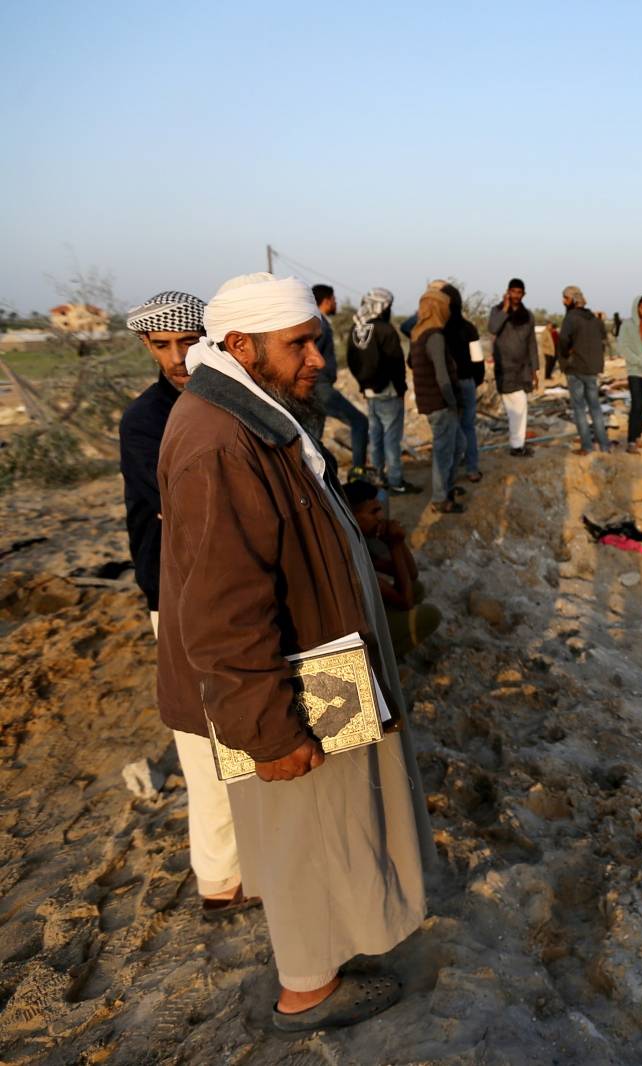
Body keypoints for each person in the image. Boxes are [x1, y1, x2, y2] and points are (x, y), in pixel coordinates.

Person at [157, 272, 428, 1030]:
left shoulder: (250, 410)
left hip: (319, 666)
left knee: (332, 823)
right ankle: (306, 993)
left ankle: (329, 958)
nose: (317, 359)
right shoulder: (215, 440)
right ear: (240, 345)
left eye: (316, 341)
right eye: (300, 345)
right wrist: (269, 730)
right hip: (285, 687)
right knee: (302, 834)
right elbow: (219, 610)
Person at [120, 289, 258, 922]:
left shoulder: (235, 398)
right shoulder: (148, 420)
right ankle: (220, 881)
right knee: (202, 749)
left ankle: (254, 868)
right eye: (162, 346)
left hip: (235, 589)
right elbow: (189, 510)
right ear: (147, 347)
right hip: (177, 595)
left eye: (186, 341)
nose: (178, 358)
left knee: (250, 732)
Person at [344, 480, 441, 656]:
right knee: (430, 616)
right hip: (353, 634)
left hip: (364, 616)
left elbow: (411, 574)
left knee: (416, 588)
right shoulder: (347, 548)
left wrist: (397, 541)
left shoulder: (358, 539)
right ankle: (382, 661)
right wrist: (395, 545)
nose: (380, 517)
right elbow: (406, 602)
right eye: (373, 512)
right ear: (353, 515)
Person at [347, 288, 418, 494]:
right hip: (389, 392)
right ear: (383, 307)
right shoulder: (385, 330)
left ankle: (378, 476)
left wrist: (364, 384)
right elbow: (396, 363)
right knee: (391, 439)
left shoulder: (356, 328)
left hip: (369, 392)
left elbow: (353, 361)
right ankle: (396, 481)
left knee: (376, 436)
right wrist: (400, 388)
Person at [408, 289, 465, 513]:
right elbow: (443, 376)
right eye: (445, 306)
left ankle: (447, 488)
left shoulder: (418, 333)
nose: (448, 311)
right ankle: (441, 499)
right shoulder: (434, 336)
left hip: (432, 403)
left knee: (458, 446)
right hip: (441, 405)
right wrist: (453, 403)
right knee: (444, 453)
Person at [306, 284, 369, 477]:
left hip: (318, 386)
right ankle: (358, 472)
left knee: (313, 436)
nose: (336, 303)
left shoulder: (319, 322)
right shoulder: (319, 325)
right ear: (326, 301)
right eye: (334, 299)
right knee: (359, 422)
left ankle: (312, 477)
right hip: (320, 387)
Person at [437, 283, 483, 483]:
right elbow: (478, 360)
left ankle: (450, 476)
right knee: (468, 428)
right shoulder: (469, 328)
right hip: (467, 383)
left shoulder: (438, 331)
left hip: (447, 386)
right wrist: (475, 381)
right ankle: (472, 469)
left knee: (451, 430)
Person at [557, 285, 609, 455]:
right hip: (592, 369)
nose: (563, 301)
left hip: (576, 368)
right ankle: (605, 447)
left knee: (579, 408)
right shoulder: (594, 319)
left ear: (572, 300)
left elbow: (563, 341)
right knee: (595, 408)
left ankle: (587, 446)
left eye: (565, 298)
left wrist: (567, 353)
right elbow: (603, 337)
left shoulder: (571, 318)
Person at [488, 277, 537, 457]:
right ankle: (517, 445)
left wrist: (535, 368)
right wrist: (505, 309)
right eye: (513, 292)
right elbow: (492, 328)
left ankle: (517, 443)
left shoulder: (528, 315)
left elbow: (532, 343)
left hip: (523, 369)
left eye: (519, 292)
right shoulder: (497, 311)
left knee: (517, 407)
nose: (516, 295)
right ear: (507, 292)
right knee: (518, 405)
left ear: (523, 294)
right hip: (505, 367)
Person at [618, 295, 642, 454]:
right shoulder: (627, 324)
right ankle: (631, 441)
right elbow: (622, 347)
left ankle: (638, 437)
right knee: (636, 406)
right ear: (636, 308)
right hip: (634, 371)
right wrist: (637, 360)